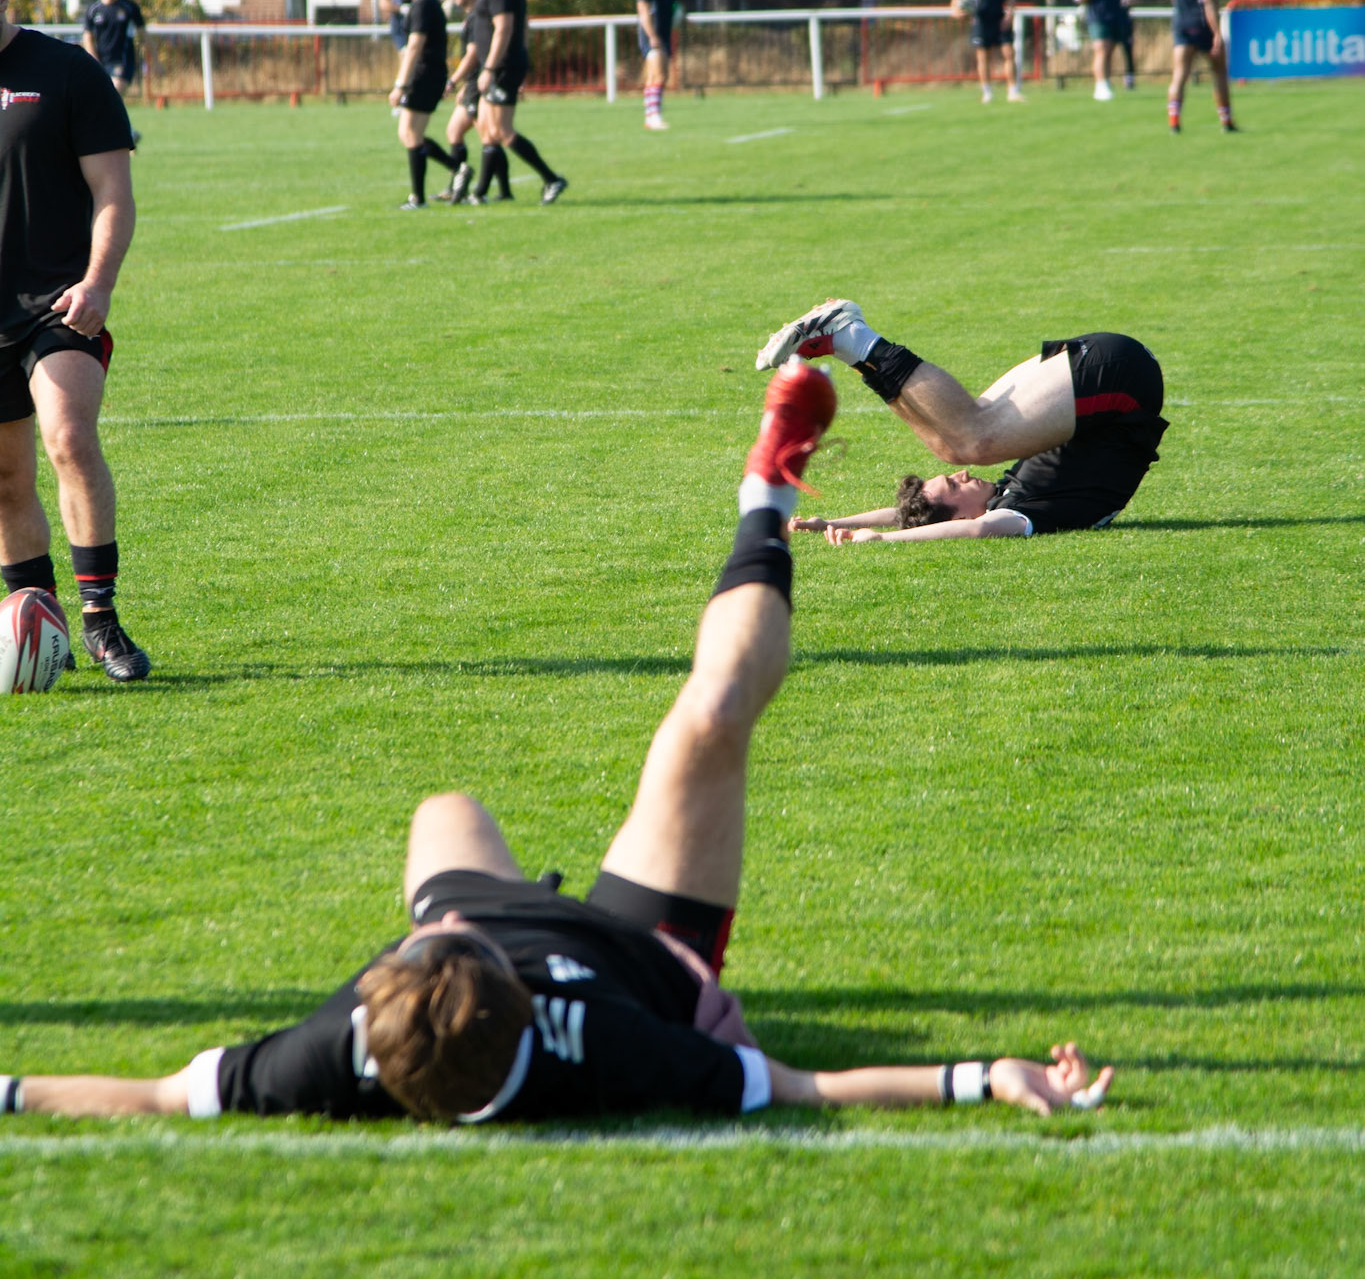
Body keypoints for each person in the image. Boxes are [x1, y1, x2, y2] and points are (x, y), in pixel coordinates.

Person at [1, 364, 1110, 1125]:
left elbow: (153, 1095)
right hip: (644, 947)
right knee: (713, 713)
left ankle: (479, 898)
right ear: (525, 1003)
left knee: (446, 809)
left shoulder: (342, 1047)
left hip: (468, 965)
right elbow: (802, 1088)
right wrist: (985, 1076)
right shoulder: (606, 1043)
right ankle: (763, 496)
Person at [0, 0, 149, 679]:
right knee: (4, 479)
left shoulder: (67, 70)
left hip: (60, 302)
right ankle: (41, 634)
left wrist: (99, 283)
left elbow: (112, 191)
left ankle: (101, 622)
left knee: (68, 435)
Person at [757, 299, 1167, 543]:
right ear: (961, 515)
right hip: (1121, 386)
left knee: (957, 446)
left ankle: (851, 341)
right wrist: (880, 538)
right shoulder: (1018, 513)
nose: (963, 476)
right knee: (966, 444)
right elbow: (974, 531)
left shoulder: (1005, 498)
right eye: (955, 486)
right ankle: (851, 340)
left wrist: (835, 524)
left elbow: (910, 515)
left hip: (1111, 383)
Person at [456, 0, 567, 206]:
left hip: (502, 68)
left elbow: (504, 28)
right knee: (488, 131)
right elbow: (523, 26)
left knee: (502, 130)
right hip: (502, 66)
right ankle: (480, 193)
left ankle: (551, 179)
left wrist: (490, 68)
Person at [387, 0, 461, 211]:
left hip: (424, 75)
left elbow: (414, 47)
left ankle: (419, 198)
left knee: (409, 133)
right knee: (411, 134)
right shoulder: (428, 3)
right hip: (430, 74)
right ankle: (457, 169)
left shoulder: (422, 5)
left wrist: (400, 84)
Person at [433, 0, 496, 205]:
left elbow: (472, 55)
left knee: (488, 136)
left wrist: (453, 81)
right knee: (479, 134)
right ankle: (496, 189)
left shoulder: (477, 15)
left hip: (478, 83)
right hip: (474, 83)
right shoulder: (473, 15)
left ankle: (471, 189)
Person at [1167, 0, 1234, 134]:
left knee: (1180, 73)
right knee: (1219, 71)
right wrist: (1216, 32)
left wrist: (1181, 9)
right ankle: (1226, 121)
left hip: (1181, 21)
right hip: (1202, 23)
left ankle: (1174, 122)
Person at [951, 0, 1023, 105]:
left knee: (1008, 52)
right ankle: (987, 93)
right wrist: (955, 9)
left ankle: (1013, 92)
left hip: (1000, 17)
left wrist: (1009, 14)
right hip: (981, 19)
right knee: (983, 56)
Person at [1075, 0, 1137, 100]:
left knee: (1109, 51)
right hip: (1099, 17)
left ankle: (1106, 82)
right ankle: (1100, 86)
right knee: (1102, 49)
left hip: (1118, 17)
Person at [81, 0, 144, 99]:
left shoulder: (129, 7)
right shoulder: (93, 10)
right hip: (100, 61)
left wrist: (155, 59)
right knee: (99, 98)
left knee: (114, 91)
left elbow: (143, 34)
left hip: (122, 60)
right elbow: (87, 37)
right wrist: (93, 60)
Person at [635, 0, 675, 132]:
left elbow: (672, 9)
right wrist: (651, 35)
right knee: (658, 75)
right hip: (652, 36)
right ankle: (654, 116)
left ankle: (651, 116)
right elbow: (643, 12)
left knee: (659, 76)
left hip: (663, 35)